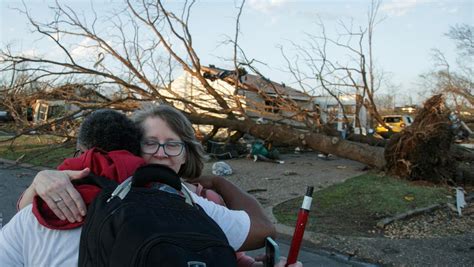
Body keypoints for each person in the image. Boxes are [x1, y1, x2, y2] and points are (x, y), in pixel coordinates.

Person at [14, 106, 275, 255]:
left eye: (172, 144)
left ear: (186, 153)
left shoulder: (200, 200)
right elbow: (26, 217)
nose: (161, 153)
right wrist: (41, 180)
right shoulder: (88, 189)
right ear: (130, 149)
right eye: (150, 143)